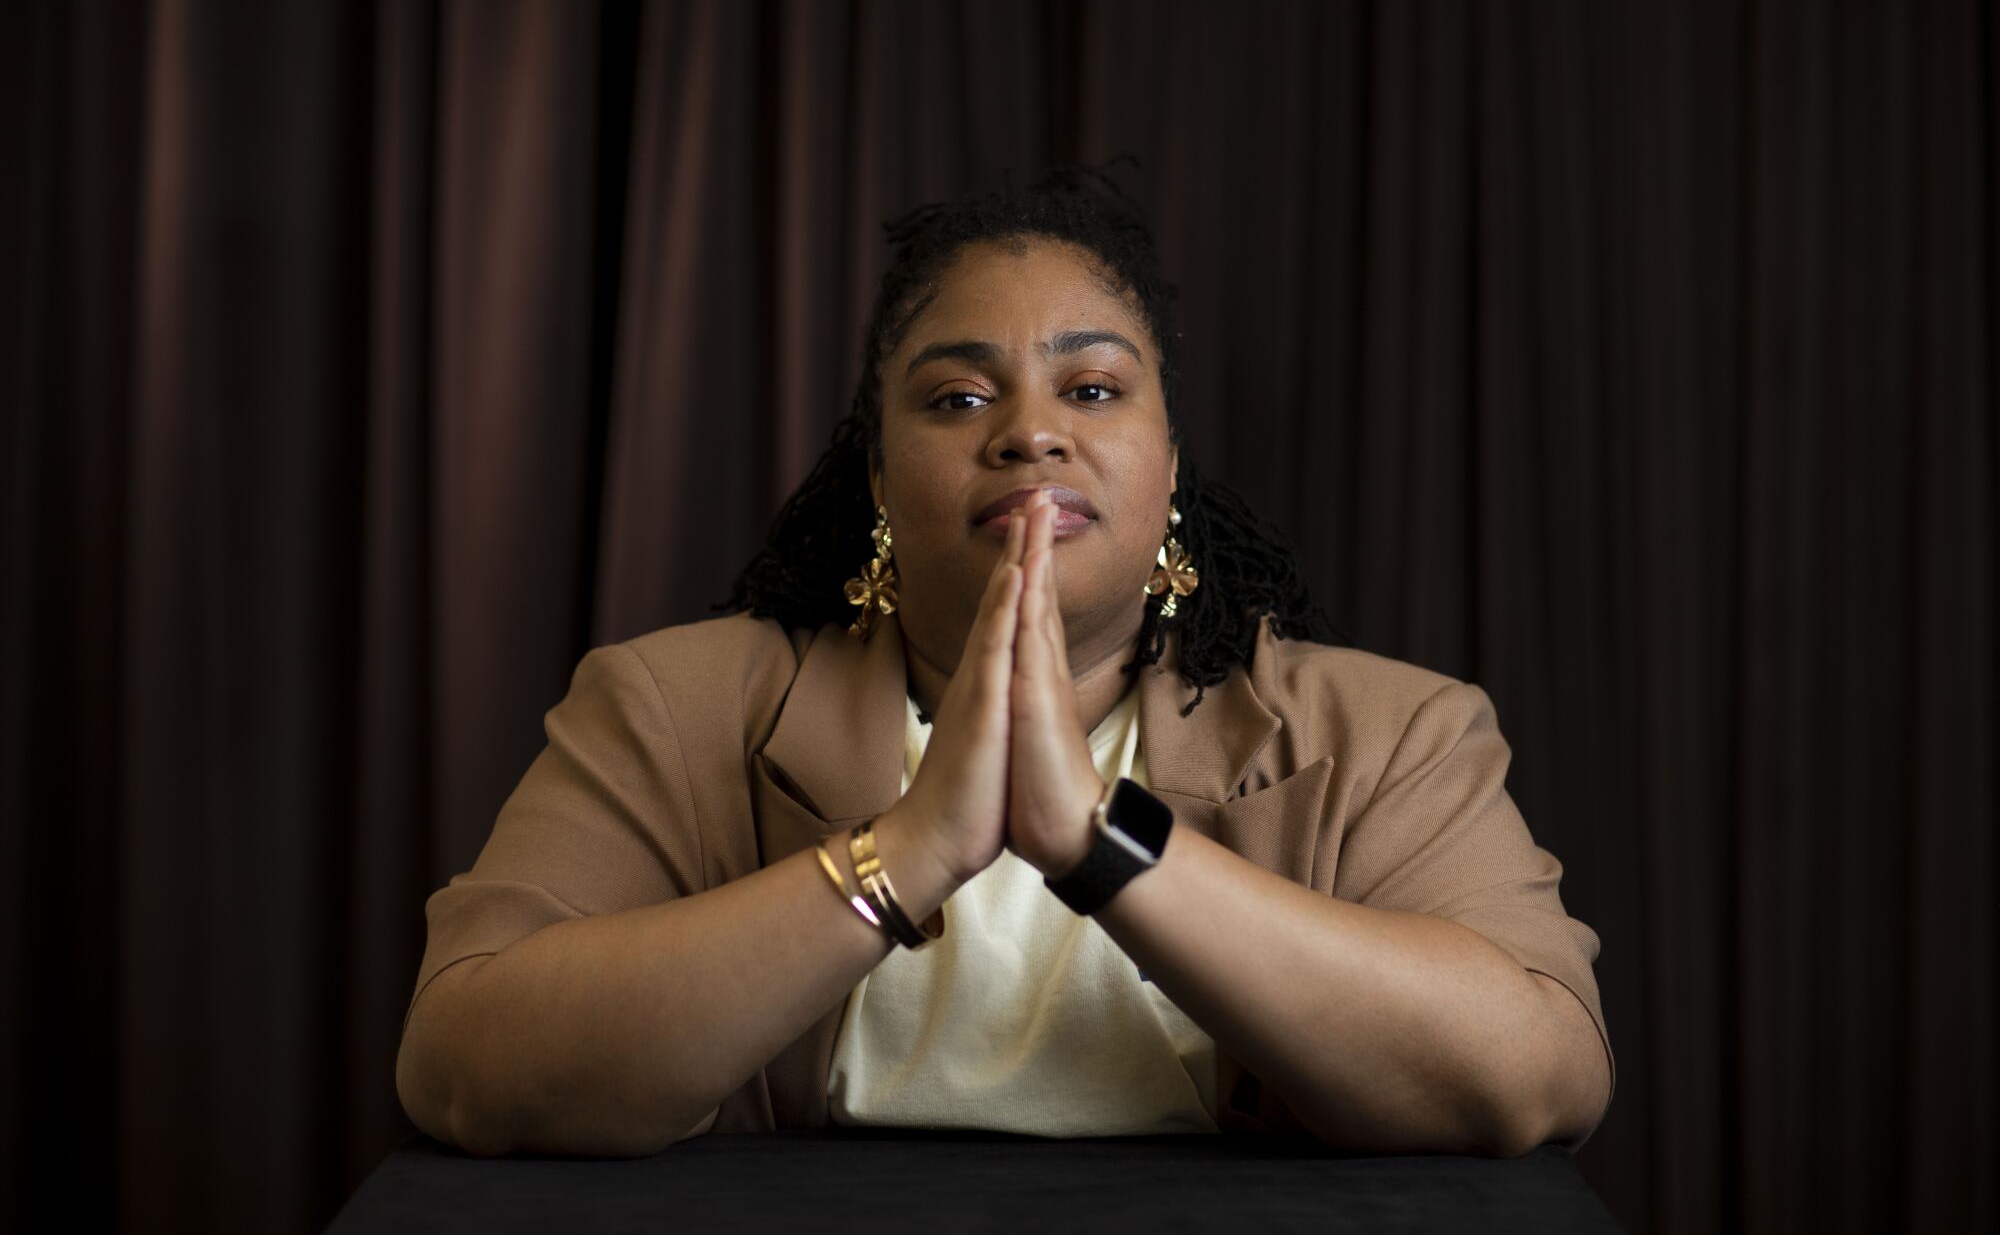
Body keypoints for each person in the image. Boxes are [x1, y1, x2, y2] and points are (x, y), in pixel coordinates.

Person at [394, 162, 1615, 1161]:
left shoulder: (1391, 731)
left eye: (1090, 387)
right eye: (956, 399)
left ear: (1172, 471)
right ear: (876, 479)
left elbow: (1533, 1077)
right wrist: (912, 846)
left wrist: (1096, 839)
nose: (1030, 432)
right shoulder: (670, 706)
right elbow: (466, 1065)